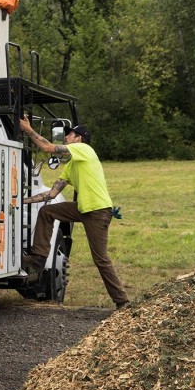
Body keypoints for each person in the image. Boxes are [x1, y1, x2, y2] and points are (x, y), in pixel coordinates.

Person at [18, 116, 129, 309]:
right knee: (47, 212)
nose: (66, 137)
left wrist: (27, 129)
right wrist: (20, 201)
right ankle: (38, 258)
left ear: (79, 138)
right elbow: (52, 194)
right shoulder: (71, 165)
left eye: (69, 134)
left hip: (98, 211)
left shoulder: (85, 150)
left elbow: (48, 148)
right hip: (83, 209)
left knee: (100, 259)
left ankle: (122, 301)